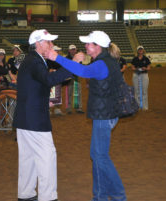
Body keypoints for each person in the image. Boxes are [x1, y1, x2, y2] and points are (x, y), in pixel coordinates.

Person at [45, 30, 127, 201]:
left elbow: (83, 72)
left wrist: (57, 58)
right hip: (105, 113)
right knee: (97, 155)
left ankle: (118, 195)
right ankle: (100, 196)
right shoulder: (106, 61)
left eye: (89, 43)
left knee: (100, 156)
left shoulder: (102, 63)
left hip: (104, 115)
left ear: (98, 47)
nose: (86, 46)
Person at [13, 29, 72, 201]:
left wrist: (44, 98)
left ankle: (26, 194)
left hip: (25, 117)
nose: (52, 45)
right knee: (47, 156)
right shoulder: (35, 62)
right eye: (48, 42)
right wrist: (71, 64)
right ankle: (48, 197)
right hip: (35, 119)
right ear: (38, 44)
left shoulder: (31, 61)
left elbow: (33, 86)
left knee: (28, 158)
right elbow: (48, 80)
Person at [65, 44, 85, 114]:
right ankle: (68, 108)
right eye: (72, 49)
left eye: (74, 49)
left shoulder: (78, 57)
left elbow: (80, 66)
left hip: (76, 76)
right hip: (69, 77)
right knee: (69, 93)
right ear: (69, 50)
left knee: (77, 92)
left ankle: (78, 108)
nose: (73, 50)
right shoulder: (67, 58)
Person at [46, 45, 65, 116]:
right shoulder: (49, 60)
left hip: (57, 79)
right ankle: (49, 110)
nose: (59, 52)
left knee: (58, 93)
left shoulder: (59, 60)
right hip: (51, 79)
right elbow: (48, 69)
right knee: (51, 95)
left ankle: (57, 109)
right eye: (57, 50)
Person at [131, 46, 151, 111]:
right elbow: (132, 67)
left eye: (141, 49)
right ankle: (137, 106)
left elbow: (149, 68)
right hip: (136, 75)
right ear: (137, 51)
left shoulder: (146, 59)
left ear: (143, 50)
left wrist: (145, 68)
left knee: (144, 90)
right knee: (136, 91)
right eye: (139, 49)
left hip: (144, 75)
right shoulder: (135, 59)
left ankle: (145, 107)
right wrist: (136, 69)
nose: (140, 50)